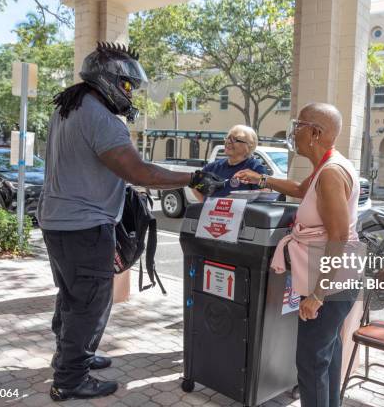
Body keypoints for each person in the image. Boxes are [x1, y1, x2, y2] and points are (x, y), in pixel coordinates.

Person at [37, 42, 223, 402]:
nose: (130, 94)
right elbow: (140, 172)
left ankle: (73, 355)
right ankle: (70, 378)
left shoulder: (69, 108)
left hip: (57, 221)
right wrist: (192, 178)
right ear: (108, 81)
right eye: (127, 87)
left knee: (73, 296)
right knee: (90, 301)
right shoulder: (101, 119)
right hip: (85, 226)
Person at [234, 102, 362, 407]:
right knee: (325, 357)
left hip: (331, 285)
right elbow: (301, 189)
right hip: (337, 280)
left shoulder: (331, 173)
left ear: (315, 132)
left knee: (310, 363)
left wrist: (318, 294)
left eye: (299, 125)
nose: (294, 131)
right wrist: (261, 179)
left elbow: (339, 236)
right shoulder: (327, 165)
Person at [193, 124, 267, 201]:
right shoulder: (212, 167)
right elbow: (195, 185)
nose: (228, 141)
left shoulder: (257, 168)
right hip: (213, 212)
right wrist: (206, 205)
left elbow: (266, 191)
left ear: (250, 145)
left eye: (235, 139)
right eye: (228, 138)